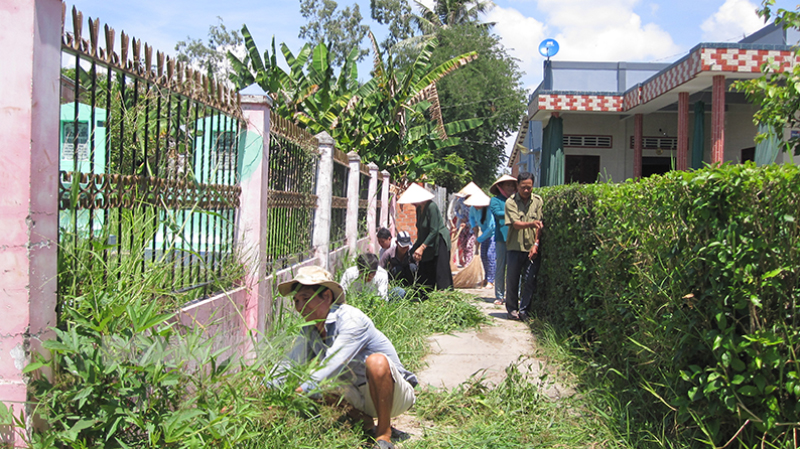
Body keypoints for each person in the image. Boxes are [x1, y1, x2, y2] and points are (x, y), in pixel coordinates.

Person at [272, 266, 417, 449]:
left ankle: (384, 434)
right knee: (316, 380)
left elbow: (334, 362)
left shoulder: (351, 319)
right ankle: (363, 422)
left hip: (394, 395)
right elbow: (288, 364)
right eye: (296, 301)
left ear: (326, 296)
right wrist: (265, 390)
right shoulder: (309, 330)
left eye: (306, 299)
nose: (300, 307)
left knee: (376, 362)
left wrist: (301, 390)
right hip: (358, 394)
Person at [398, 184, 453, 291]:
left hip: (439, 240)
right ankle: (424, 293)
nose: (411, 203)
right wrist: (413, 249)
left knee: (441, 271)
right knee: (424, 268)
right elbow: (421, 233)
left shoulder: (431, 207)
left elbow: (434, 230)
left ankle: (445, 296)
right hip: (427, 241)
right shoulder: (419, 210)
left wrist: (422, 247)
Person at [504, 172, 543, 321]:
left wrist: (536, 244)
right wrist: (531, 224)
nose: (526, 190)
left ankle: (524, 311)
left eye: (529, 187)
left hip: (531, 248)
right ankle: (512, 310)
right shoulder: (511, 202)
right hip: (515, 247)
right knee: (512, 280)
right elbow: (516, 224)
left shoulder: (538, 202)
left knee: (530, 280)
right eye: (523, 187)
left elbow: (539, 226)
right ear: (517, 186)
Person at [489, 174, 517, 306]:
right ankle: (499, 296)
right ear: (500, 187)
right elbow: (497, 213)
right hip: (502, 238)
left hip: (516, 238)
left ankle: (515, 295)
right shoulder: (495, 200)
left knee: (516, 268)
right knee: (500, 267)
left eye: (512, 185)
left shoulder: (517, 199)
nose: (511, 187)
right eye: (508, 185)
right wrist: (513, 214)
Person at [465, 191, 496, 290]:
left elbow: (491, 227)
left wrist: (479, 239)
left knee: (490, 255)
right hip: (484, 234)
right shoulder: (473, 208)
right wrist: (474, 226)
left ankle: (491, 280)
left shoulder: (488, 210)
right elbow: (471, 217)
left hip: (493, 234)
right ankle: (486, 278)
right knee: (483, 255)